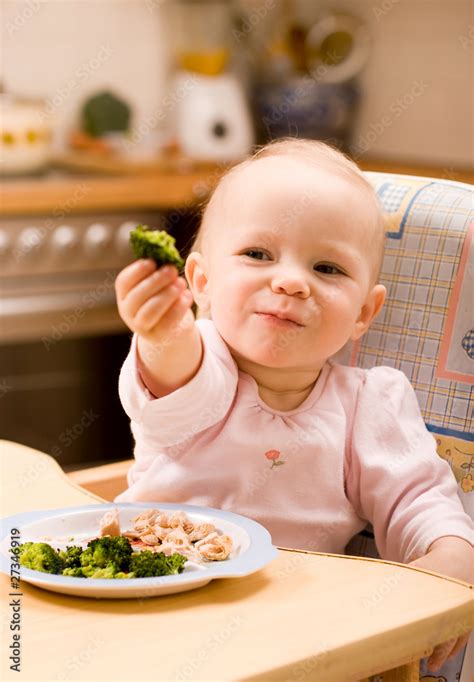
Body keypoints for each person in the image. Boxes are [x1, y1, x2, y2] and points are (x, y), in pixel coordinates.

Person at [114, 139, 473, 671]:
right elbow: (175, 383)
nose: (290, 281)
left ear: (363, 312)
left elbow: (418, 502)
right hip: (148, 606)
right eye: (258, 254)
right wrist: (163, 332)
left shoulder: (368, 404)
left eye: (328, 268)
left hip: (295, 636)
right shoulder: (201, 364)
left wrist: (449, 563)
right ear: (202, 283)